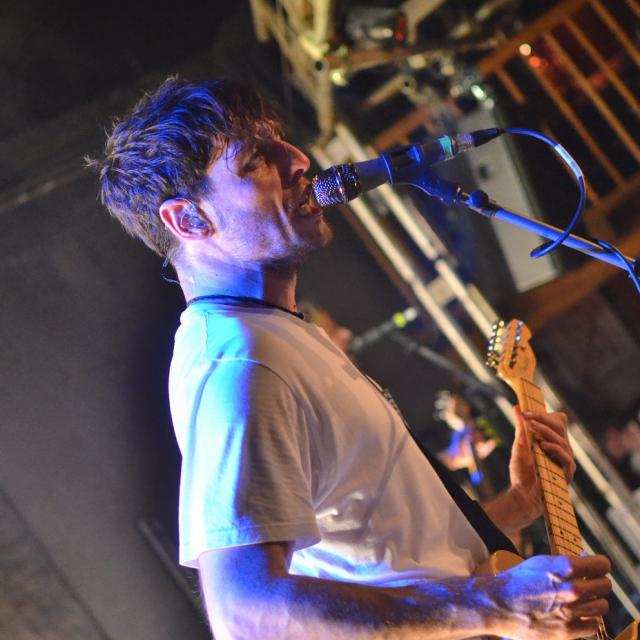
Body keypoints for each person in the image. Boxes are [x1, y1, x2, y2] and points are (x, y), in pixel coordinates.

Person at [90, 77, 611, 639]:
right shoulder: (239, 363)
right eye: (255, 161)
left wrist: (518, 505)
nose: (298, 159)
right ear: (189, 220)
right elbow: (243, 610)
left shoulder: (278, 334)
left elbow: (393, 555)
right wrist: (497, 604)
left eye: (280, 139)